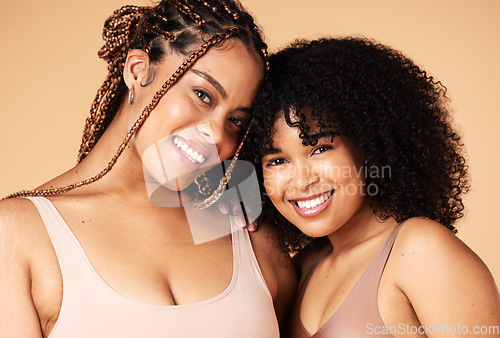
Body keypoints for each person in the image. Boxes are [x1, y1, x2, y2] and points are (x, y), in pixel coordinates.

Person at [0, 1, 297, 337]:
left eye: (236, 121)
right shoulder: (19, 235)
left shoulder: (255, 240)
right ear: (138, 70)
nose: (215, 133)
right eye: (202, 94)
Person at [247, 37, 500, 337]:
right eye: (277, 162)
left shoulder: (421, 251)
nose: (301, 181)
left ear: (369, 144)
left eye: (320, 149)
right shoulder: (302, 268)